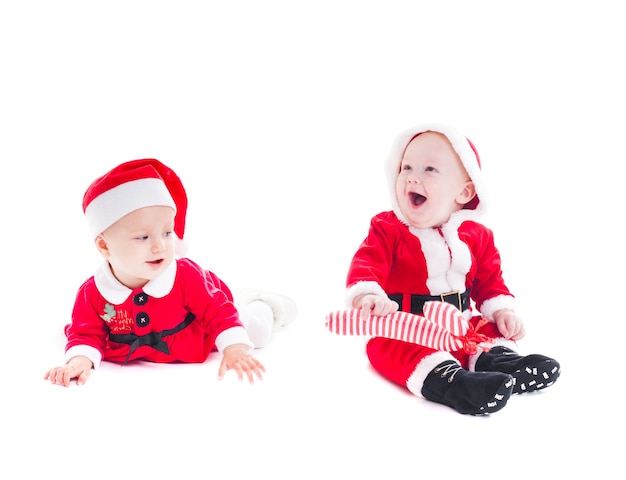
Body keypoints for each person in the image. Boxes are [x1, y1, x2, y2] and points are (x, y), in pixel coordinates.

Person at [343, 123, 560, 415]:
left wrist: (502, 311)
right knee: (388, 348)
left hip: (461, 324)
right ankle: (452, 382)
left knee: (489, 330)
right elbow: (367, 264)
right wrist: (367, 296)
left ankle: (500, 363)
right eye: (406, 167)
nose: (411, 178)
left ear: (464, 191)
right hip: (406, 326)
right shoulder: (387, 228)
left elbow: (491, 283)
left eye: (429, 170)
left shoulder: (476, 235)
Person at [44, 158, 296, 387]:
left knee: (259, 335)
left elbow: (218, 311)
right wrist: (78, 361)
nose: (159, 246)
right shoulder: (93, 293)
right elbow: (86, 333)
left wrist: (234, 347)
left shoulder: (185, 276)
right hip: (159, 345)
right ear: (104, 245)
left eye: (167, 233)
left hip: (207, 321)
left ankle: (263, 303)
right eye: (143, 237)